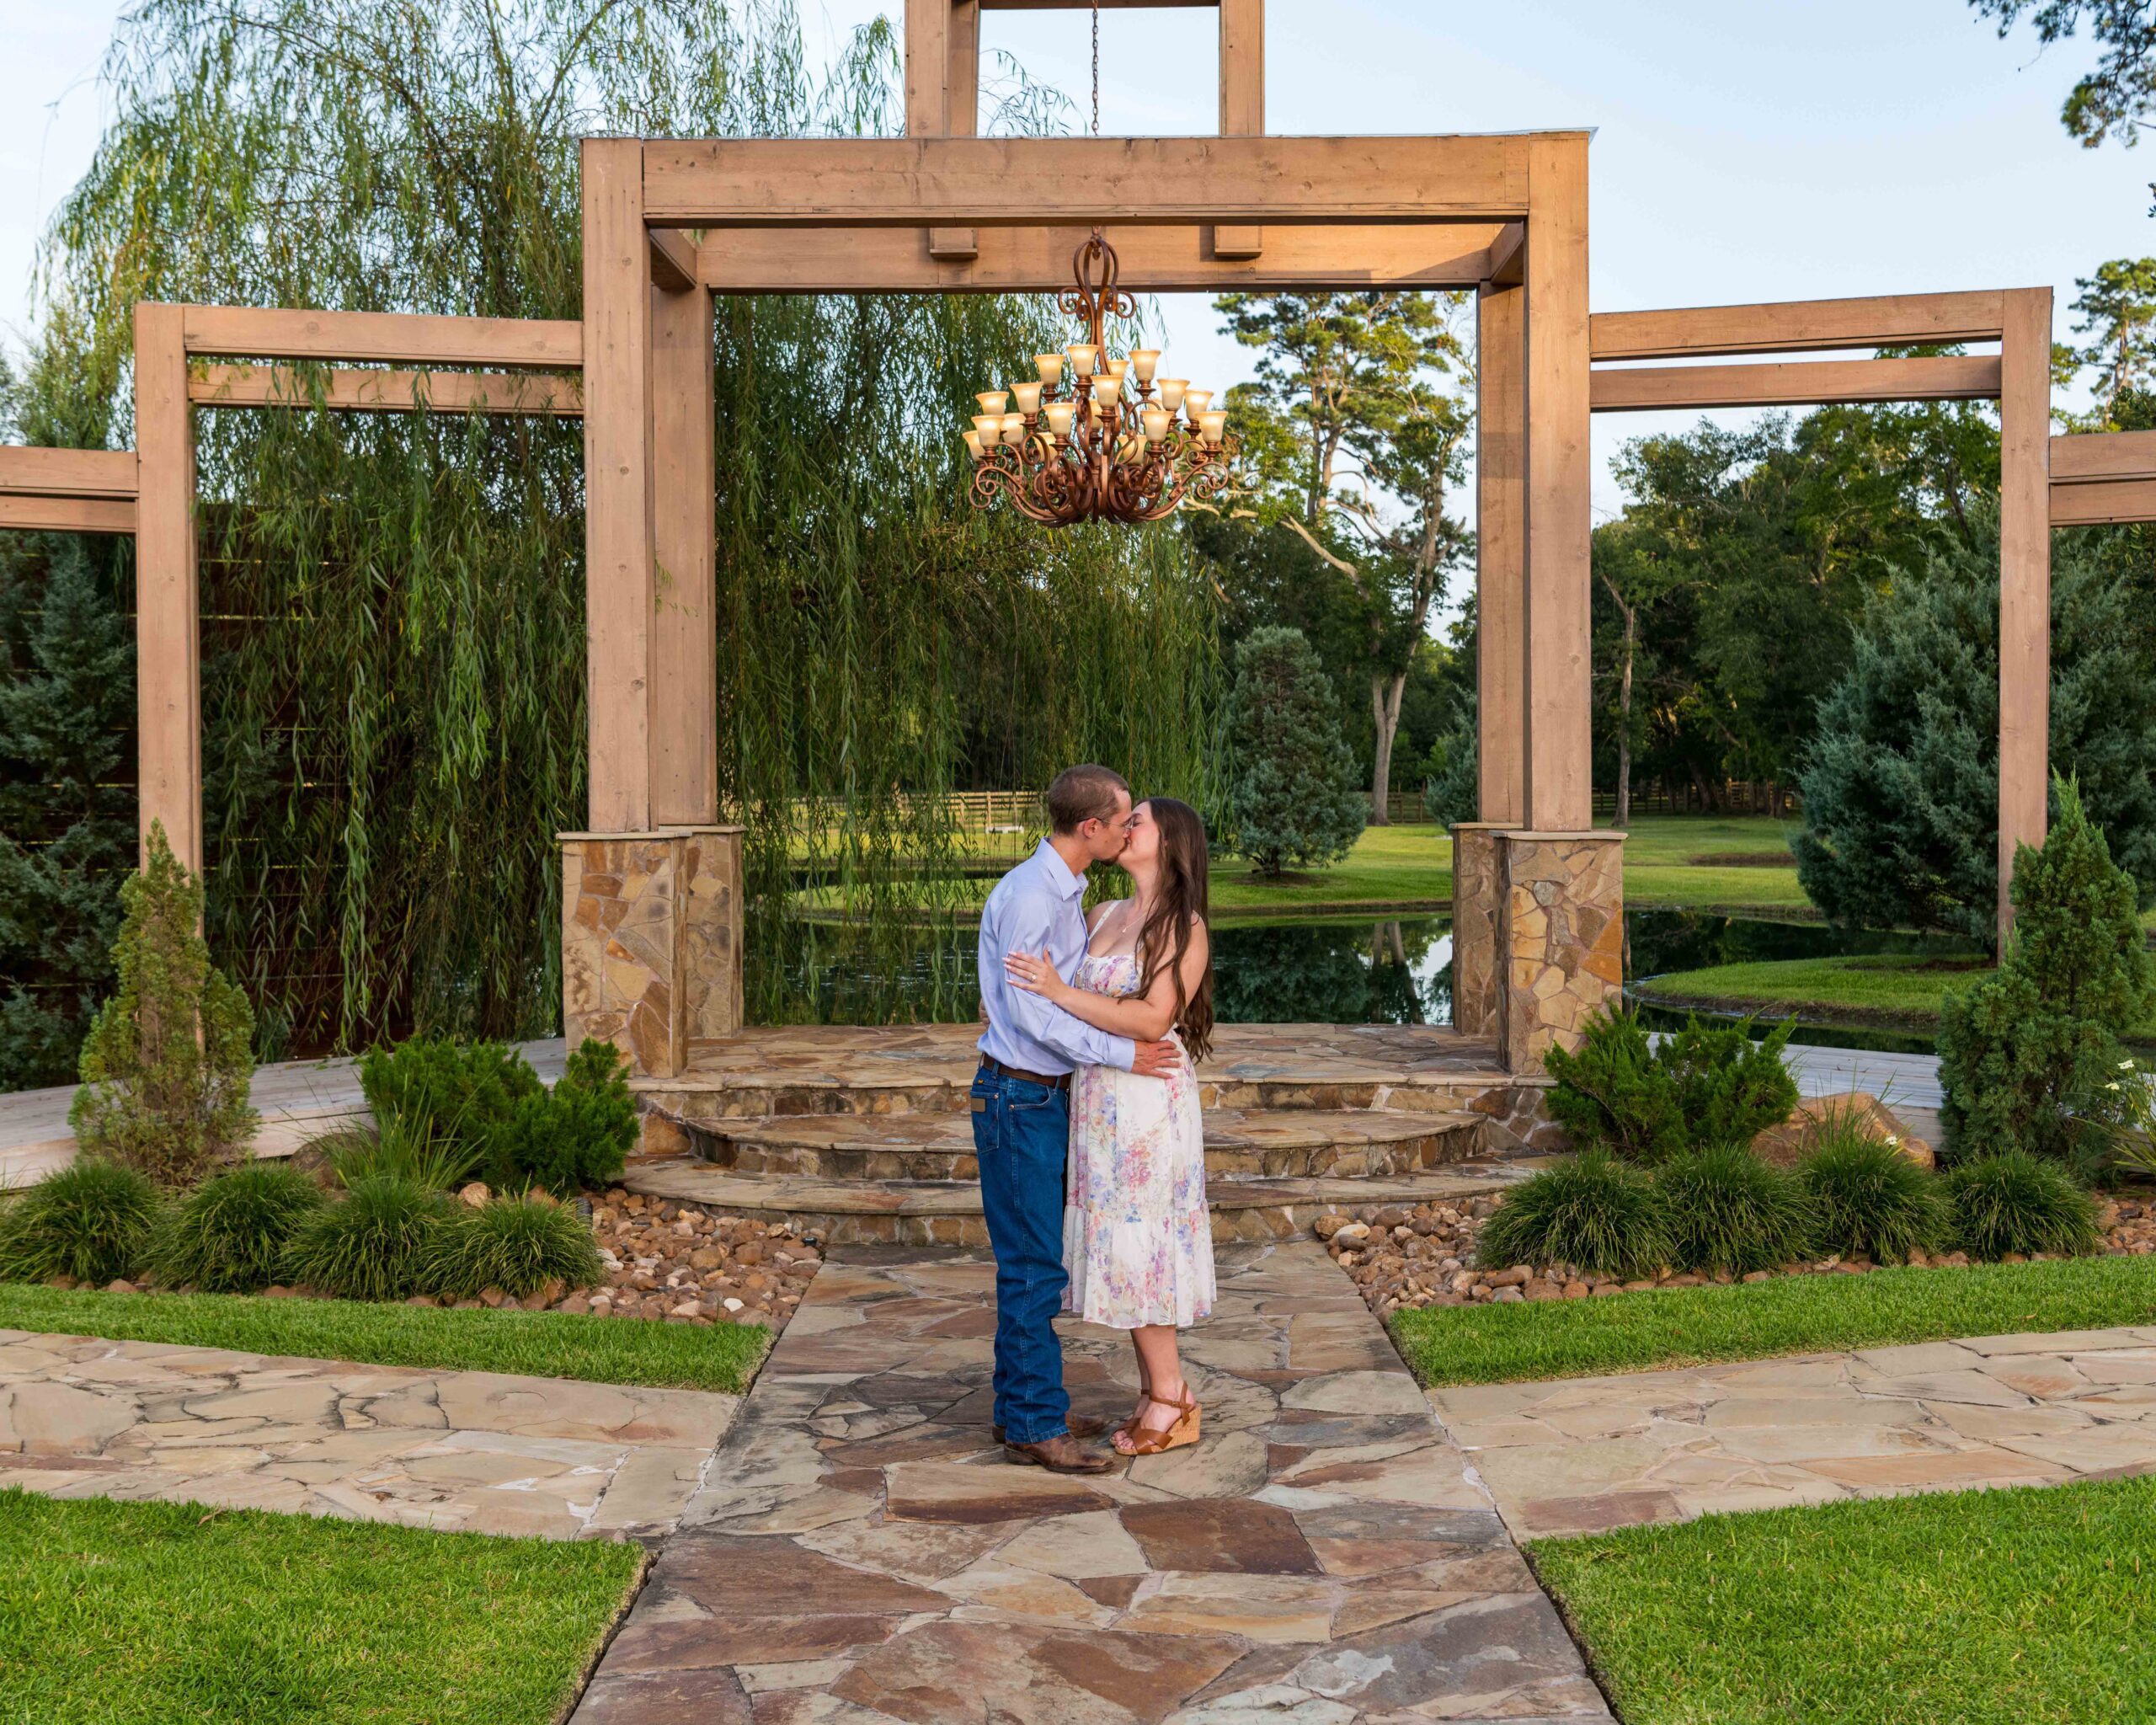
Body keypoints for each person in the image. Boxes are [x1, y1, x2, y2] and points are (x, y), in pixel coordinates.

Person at [974, 764, 1182, 1474]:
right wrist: (1122, 1051)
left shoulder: (1070, 895)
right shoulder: (1036, 896)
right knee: (1032, 1267)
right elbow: (1036, 1016)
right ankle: (1036, 1423)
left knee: (1031, 1263)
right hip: (1020, 1095)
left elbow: (1046, 997)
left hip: (1041, 1096)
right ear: (1090, 828)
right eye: (1124, 818)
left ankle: (1021, 1410)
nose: (1130, 828)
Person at [1005, 795, 1216, 1458]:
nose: (1128, 827)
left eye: (1140, 820)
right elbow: (1056, 1003)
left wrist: (1061, 994)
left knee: (1147, 1242)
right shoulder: (1100, 914)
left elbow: (1154, 1019)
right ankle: (1159, 1390)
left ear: (1170, 842)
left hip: (1149, 1100)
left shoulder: (1184, 926)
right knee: (1124, 1249)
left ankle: (1173, 1394)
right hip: (1098, 1094)